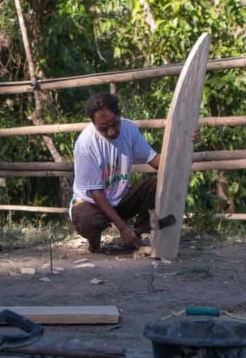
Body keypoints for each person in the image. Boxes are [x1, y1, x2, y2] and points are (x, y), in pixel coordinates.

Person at [70, 92, 198, 253]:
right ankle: (94, 238)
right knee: (89, 221)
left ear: (119, 114)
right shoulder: (85, 144)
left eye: (114, 124)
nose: (111, 132)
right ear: (93, 123)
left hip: (120, 200)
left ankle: (136, 234)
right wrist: (122, 228)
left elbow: (157, 162)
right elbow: (96, 194)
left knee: (157, 183)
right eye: (103, 128)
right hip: (91, 203)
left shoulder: (129, 129)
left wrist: (186, 142)